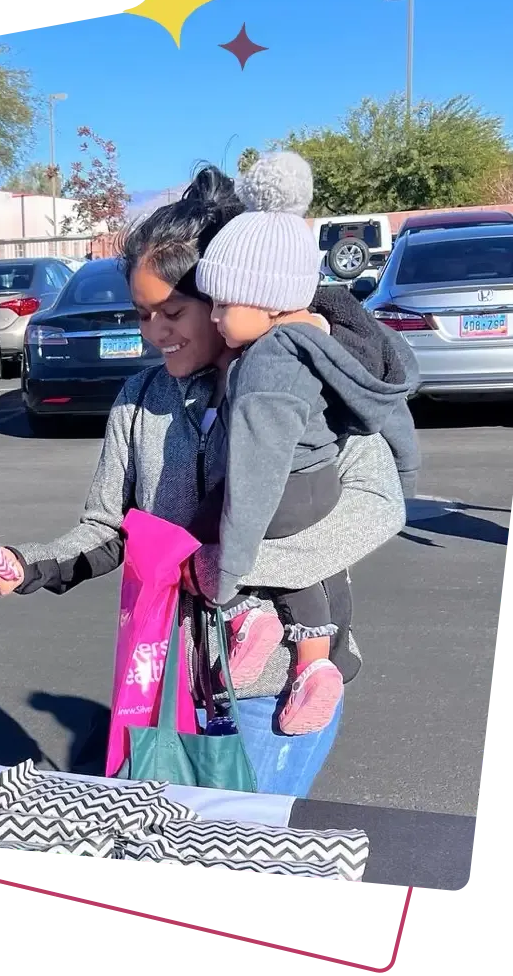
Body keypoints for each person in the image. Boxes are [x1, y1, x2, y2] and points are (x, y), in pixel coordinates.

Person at [0, 164, 409, 798]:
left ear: (228, 296)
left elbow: (379, 504)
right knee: (165, 859)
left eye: (174, 311)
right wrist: (22, 565)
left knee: (238, 865)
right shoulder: (139, 401)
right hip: (169, 684)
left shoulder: (309, 388)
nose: (156, 331)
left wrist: (231, 567)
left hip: (274, 689)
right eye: (143, 314)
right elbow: (109, 529)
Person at [192, 151, 419, 737]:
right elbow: (385, 412)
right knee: (308, 570)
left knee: (223, 526)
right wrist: (406, 472)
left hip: (289, 488)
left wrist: (231, 572)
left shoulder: (266, 365)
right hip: (324, 482)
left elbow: (257, 468)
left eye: (222, 303)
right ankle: (315, 670)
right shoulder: (321, 341)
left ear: (266, 300)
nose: (214, 318)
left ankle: (249, 620)